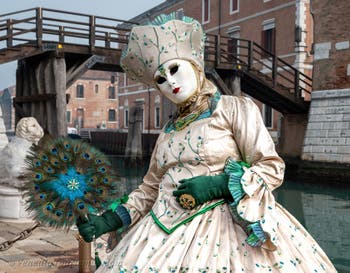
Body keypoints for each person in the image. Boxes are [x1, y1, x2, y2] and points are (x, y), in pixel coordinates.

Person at [77, 14, 337, 272]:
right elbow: (149, 190)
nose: (171, 81)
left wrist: (219, 185)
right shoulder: (168, 131)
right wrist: (108, 221)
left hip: (224, 229)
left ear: (195, 66)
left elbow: (271, 167)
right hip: (160, 229)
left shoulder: (233, 109)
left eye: (174, 69)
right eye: (161, 79)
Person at [0, 117, 44, 188]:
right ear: (23, 130)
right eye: (33, 126)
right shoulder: (12, 150)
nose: (40, 128)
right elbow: (16, 172)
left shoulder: (29, 149)